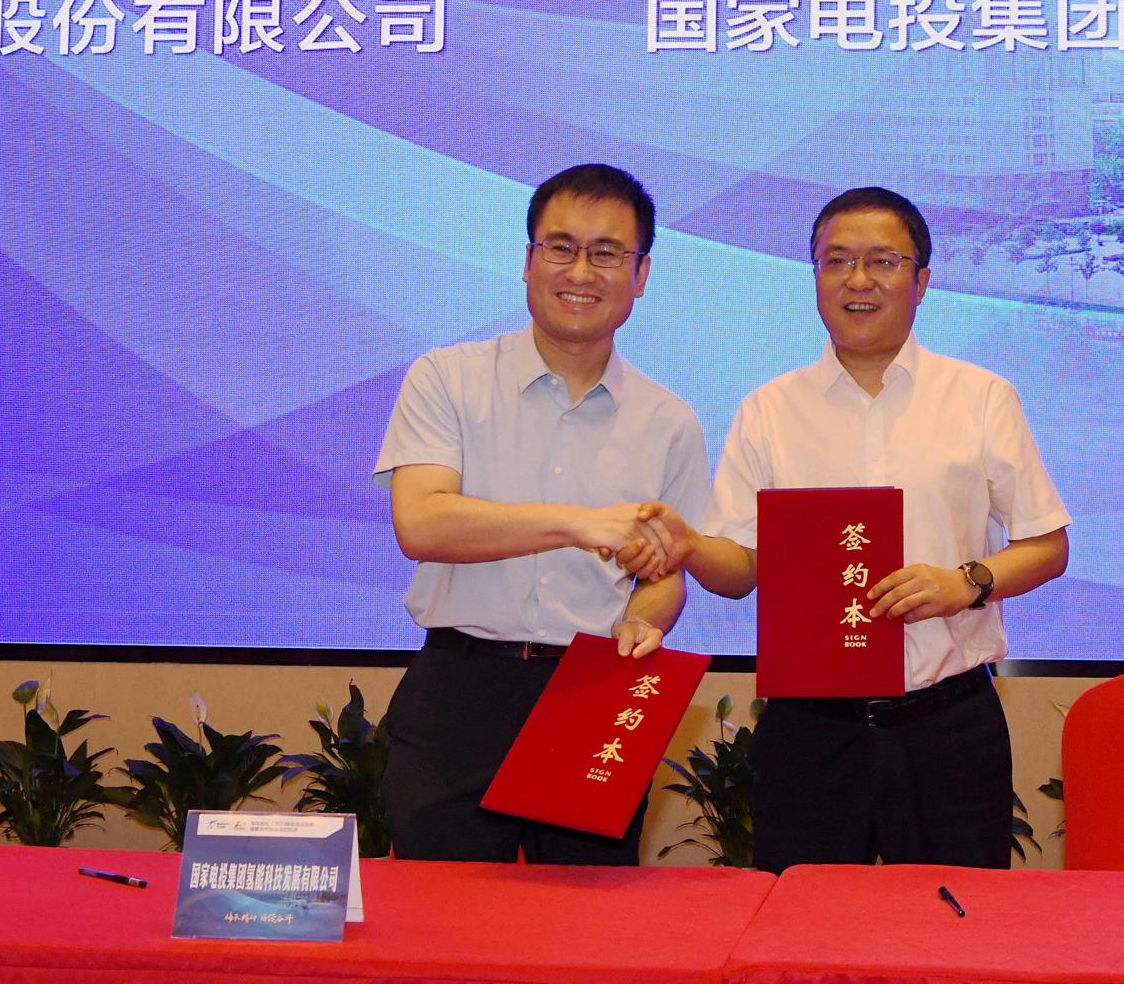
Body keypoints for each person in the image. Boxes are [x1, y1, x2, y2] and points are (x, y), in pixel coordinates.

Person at [625, 186, 1069, 873]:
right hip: (810, 733)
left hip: (946, 724)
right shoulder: (769, 410)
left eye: (883, 261)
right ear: (815, 277)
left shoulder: (981, 398)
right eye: (836, 261)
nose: (858, 280)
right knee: (802, 923)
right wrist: (690, 546)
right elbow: (741, 570)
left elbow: (1047, 545)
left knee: (952, 925)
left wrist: (967, 582)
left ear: (922, 281)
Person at [374, 163, 707, 864]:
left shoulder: (669, 421)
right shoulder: (447, 378)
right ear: (529, 261)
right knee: (441, 917)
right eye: (561, 247)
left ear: (641, 274)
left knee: (586, 921)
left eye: (607, 253)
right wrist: (577, 523)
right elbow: (421, 523)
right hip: (460, 690)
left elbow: (665, 574)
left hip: (592, 694)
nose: (580, 272)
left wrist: (645, 620)